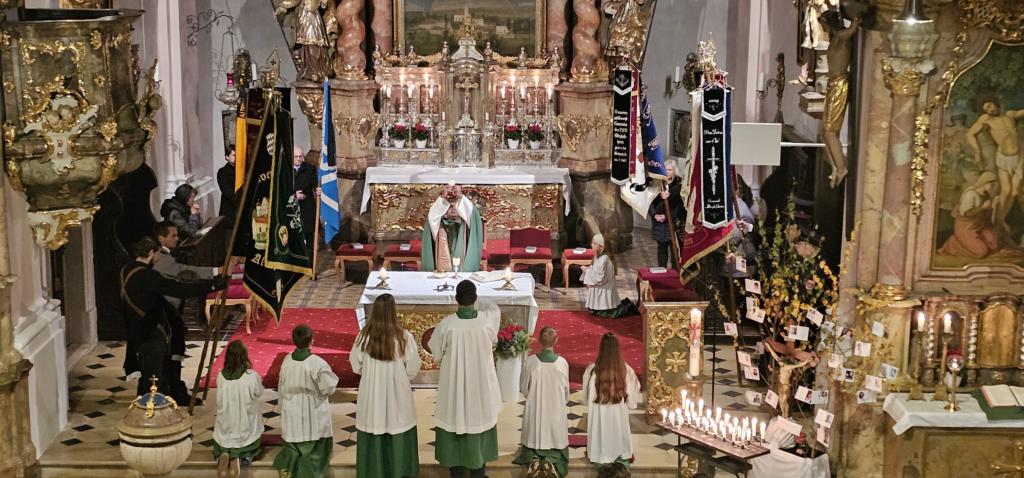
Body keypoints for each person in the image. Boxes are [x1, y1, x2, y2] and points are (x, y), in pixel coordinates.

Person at [120, 237, 227, 402]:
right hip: (151, 331)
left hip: (137, 328)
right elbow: (178, 289)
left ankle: (155, 400)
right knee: (154, 374)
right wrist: (211, 286)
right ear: (151, 252)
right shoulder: (146, 275)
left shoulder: (127, 269)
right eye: (157, 254)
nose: (157, 259)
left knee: (149, 372)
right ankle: (154, 408)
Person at [428, 280, 502, 478]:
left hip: (455, 384)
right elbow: (493, 342)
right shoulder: (486, 321)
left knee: (455, 418)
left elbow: (435, 352)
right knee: (478, 419)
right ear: (475, 298)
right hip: (480, 383)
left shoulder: (447, 324)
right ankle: (478, 471)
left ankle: (457, 472)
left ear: (456, 299)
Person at [349, 294, 421, 478]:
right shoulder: (403, 337)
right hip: (397, 394)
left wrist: (372, 375)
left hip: (372, 393)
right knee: (397, 426)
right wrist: (400, 378)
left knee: (375, 426)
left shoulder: (363, 337)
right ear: (393, 312)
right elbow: (413, 368)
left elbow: (356, 365)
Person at [152, 221, 219, 402]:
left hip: (170, 310)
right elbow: (184, 271)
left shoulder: (165, 255)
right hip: (166, 312)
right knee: (173, 351)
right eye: (173, 235)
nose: (177, 238)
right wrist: (215, 272)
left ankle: (174, 388)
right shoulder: (161, 258)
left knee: (175, 350)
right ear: (161, 238)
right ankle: (175, 391)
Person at [273, 324, 340, 478]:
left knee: (292, 445)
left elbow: (281, 386)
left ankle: (291, 463)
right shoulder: (317, 363)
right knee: (314, 453)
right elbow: (328, 388)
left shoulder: (286, 360)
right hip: (312, 414)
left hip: (291, 412)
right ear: (312, 340)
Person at [513, 326, 569, 477]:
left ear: (539, 341)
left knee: (533, 434)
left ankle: (534, 459)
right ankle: (551, 459)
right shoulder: (562, 363)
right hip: (555, 409)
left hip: (535, 407)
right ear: (556, 341)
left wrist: (533, 396)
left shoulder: (530, 362)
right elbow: (566, 391)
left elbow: (523, 388)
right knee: (555, 436)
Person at [582, 333, 640, 467]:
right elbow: (632, 403)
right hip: (618, 420)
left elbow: (585, 399)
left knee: (599, 439)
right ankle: (620, 455)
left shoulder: (591, 371)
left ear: (601, 349)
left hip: (598, 420)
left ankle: (599, 455)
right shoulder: (627, 371)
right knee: (619, 439)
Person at [967, 98, 1024, 235]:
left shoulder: (1010, 115)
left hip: (1019, 158)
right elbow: (970, 134)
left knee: (1015, 192)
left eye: (989, 105)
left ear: (994, 103)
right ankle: (998, 223)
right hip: (1003, 159)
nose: (989, 110)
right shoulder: (986, 119)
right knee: (1006, 191)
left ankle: (1000, 221)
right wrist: (977, 150)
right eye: (986, 109)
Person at [213, 340, 264, 478]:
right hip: (244, 426)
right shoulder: (251, 376)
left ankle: (224, 453)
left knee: (225, 435)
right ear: (244, 355)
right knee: (253, 411)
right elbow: (259, 392)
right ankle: (237, 457)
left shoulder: (220, 376)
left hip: (226, 423)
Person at [421, 184, 484, 273]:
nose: (454, 208)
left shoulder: (466, 224)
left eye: (456, 206)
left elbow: (471, 212)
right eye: (450, 206)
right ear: (444, 210)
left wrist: (461, 196)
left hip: (463, 268)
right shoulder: (439, 224)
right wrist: (443, 197)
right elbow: (432, 216)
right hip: (442, 267)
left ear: (462, 210)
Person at [939, 172, 1002, 259]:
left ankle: (974, 240)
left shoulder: (985, 195)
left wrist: (993, 206)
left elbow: (987, 216)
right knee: (981, 251)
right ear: (986, 182)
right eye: (992, 184)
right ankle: (953, 243)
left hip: (978, 226)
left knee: (995, 246)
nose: (993, 187)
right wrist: (983, 207)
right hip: (966, 227)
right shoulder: (971, 194)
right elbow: (967, 213)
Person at [581, 234, 637, 318]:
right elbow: (596, 270)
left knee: (605, 311)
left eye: (594, 243)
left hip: (605, 287)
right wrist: (589, 269)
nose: (591, 244)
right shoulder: (598, 257)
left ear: (601, 247)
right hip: (602, 285)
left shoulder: (604, 259)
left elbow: (599, 277)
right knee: (594, 310)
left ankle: (626, 308)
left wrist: (587, 271)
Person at [647, 160, 685, 268]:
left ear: (674, 171)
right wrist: (654, 215)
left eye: (670, 170)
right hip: (659, 223)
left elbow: (679, 207)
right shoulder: (657, 184)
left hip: (672, 223)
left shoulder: (678, 186)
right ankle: (662, 272)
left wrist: (667, 216)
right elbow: (650, 203)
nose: (667, 172)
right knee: (661, 250)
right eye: (665, 169)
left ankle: (674, 273)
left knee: (674, 250)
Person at [292, 146, 320, 252]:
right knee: (294, 238)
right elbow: (282, 188)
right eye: (296, 157)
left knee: (309, 239)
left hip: (307, 208)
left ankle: (309, 260)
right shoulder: (286, 170)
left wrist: (318, 190)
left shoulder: (310, 169)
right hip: (292, 210)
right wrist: (294, 195)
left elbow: (316, 185)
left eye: (300, 156)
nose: (298, 159)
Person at [217, 145, 238, 221]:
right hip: (229, 212)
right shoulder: (222, 172)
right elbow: (227, 192)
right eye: (234, 155)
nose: (236, 157)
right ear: (227, 157)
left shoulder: (242, 170)